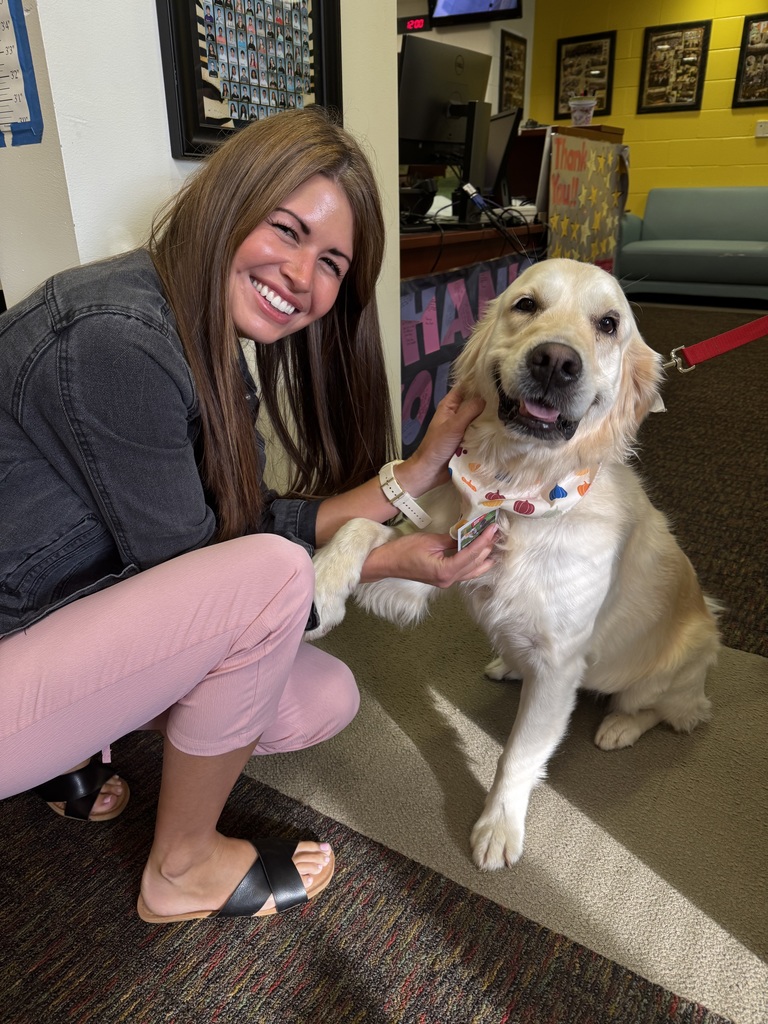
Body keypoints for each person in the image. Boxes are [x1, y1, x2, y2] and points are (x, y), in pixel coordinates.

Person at [0, 107, 497, 924]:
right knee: (271, 579)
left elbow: (243, 525)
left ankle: (66, 752)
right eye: (287, 231)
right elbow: (220, 577)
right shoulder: (116, 337)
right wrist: (379, 560)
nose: (303, 276)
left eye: (331, 262)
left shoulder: (195, 332)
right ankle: (181, 868)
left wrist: (416, 472)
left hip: (44, 608)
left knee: (321, 697)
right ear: (227, 202)